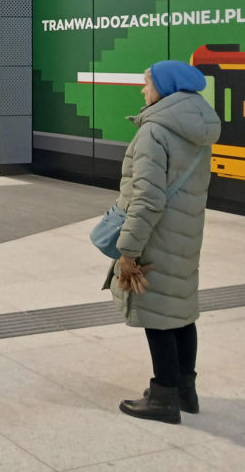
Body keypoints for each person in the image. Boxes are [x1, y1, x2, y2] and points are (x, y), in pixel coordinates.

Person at [108, 60, 220, 425]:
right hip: (186, 233)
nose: (143, 90)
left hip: (156, 234)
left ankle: (163, 397)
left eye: (147, 83)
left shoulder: (155, 131)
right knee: (181, 311)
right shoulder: (198, 127)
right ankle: (186, 391)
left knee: (157, 314)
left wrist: (128, 250)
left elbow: (148, 198)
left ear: (165, 88)